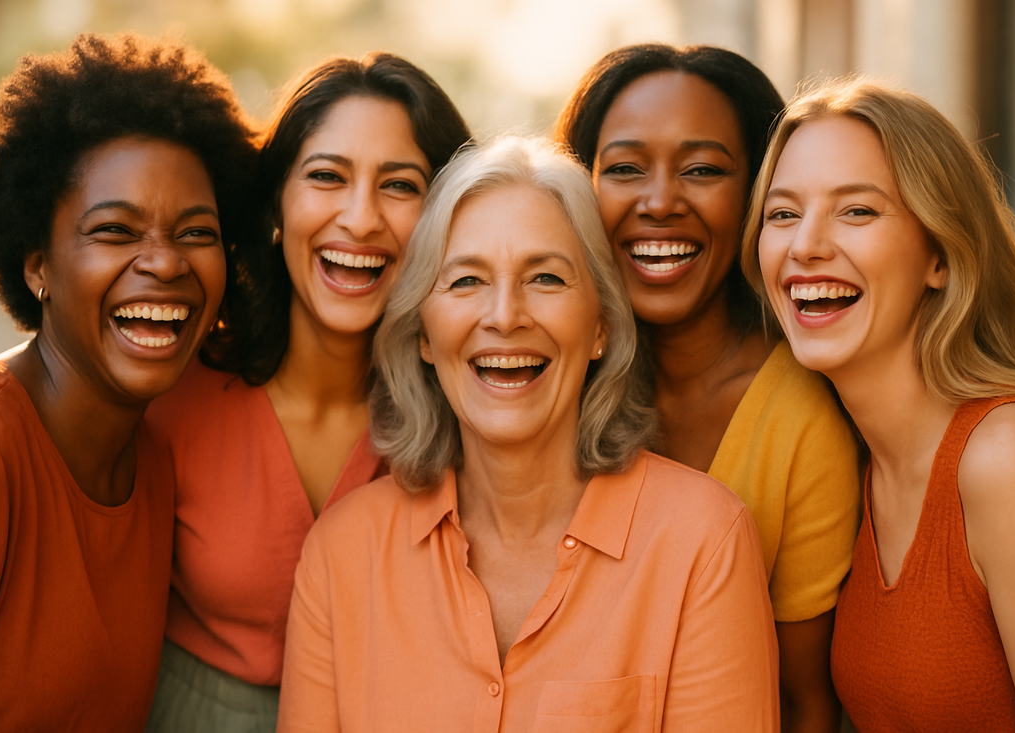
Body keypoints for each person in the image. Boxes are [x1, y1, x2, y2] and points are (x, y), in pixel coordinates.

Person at [276, 136, 779, 731]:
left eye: (544, 278)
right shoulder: (342, 554)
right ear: (423, 337)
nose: (505, 315)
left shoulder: (703, 541)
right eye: (466, 282)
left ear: (602, 327)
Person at [143, 53, 471, 732]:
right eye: (326, 176)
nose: (359, 218)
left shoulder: (471, 407)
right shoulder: (173, 385)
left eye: (400, 185)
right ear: (276, 203)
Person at [744, 77, 1015, 733]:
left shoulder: (1011, 455)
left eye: (857, 211)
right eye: (782, 214)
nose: (805, 245)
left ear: (941, 256)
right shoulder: (861, 461)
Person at [555, 43, 860, 732]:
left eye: (702, 170)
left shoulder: (801, 418)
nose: (660, 202)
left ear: (757, 192)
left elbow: (804, 701)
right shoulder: (539, 374)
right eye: (626, 169)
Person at [0, 34, 255, 730]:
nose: (163, 262)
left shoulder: (155, 458)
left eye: (196, 232)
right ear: (37, 264)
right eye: (115, 230)